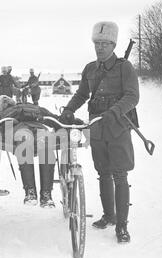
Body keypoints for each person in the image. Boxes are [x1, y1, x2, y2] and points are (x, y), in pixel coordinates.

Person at [59, 21, 139, 243]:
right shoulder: (90, 69)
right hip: (96, 127)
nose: (100, 47)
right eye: (97, 43)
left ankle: (122, 227)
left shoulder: (125, 67)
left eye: (105, 43)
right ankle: (109, 216)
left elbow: (132, 96)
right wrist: (68, 109)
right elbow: (83, 94)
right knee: (102, 171)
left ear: (113, 44)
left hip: (118, 127)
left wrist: (114, 111)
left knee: (120, 174)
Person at [0, 95, 58, 208]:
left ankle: (30, 191)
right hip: (40, 129)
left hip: (20, 131)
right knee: (46, 146)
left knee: (24, 145)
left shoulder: (3, 114)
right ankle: (46, 195)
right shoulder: (33, 107)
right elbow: (54, 118)